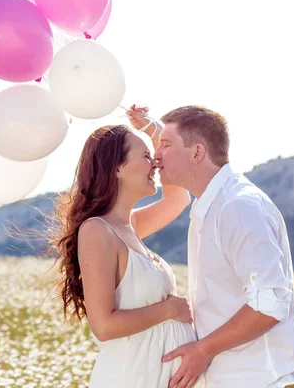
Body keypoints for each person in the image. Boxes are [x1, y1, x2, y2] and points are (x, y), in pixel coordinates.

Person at [139, 105, 294, 388]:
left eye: (165, 144)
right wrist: (153, 129)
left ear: (197, 153)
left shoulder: (239, 207)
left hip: (264, 380)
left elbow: (270, 303)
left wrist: (204, 349)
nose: (157, 154)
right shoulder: (211, 205)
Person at [50, 105, 206, 387]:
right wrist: (171, 309)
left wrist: (154, 131)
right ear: (118, 169)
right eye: (146, 156)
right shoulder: (98, 231)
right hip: (130, 377)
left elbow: (178, 200)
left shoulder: (129, 227)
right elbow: (104, 325)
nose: (156, 164)